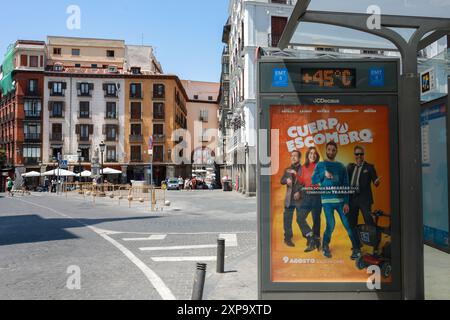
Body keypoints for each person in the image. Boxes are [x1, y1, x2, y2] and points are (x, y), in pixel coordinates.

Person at [312, 141, 360, 260]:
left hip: (340, 202)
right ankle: (325, 245)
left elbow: (345, 184)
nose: (331, 152)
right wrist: (324, 174)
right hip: (326, 202)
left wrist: (346, 202)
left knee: (348, 224)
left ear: (336, 151)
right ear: (326, 150)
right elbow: (314, 180)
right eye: (329, 149)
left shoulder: (341, 166)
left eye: (333, 150)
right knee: (331, 224)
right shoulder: (320, 165)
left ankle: (356, 248)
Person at [347, 146, 381, 249]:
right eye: (357, 154)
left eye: (361, 154)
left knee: (369, 221)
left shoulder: (369, 167)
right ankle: (357, 244)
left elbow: (376, 182)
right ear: (354, 155)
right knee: (352, 222)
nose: (359, 156)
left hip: (364, 199)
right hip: (352, 198)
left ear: (363, 154)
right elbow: (345, 180)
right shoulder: (350, 167)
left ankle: (374, 243)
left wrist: (376, 182)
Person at [297, 147, 323, 252]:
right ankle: (311, 237)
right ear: (308, 155)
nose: (312, 155)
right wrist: (298, 191)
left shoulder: (320, 167)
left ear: (316, 156)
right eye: (311, 153)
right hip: (306, 195)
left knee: (316, 219)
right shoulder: (303, 168)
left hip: (317, 195)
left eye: (314, 153)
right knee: (300, 218)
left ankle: (314, 241)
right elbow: (300, 182)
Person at [280, 150, 303, 248]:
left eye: (295, 156)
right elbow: (281, 181)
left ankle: (308, 236)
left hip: (300, 199)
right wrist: (286, 180)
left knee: (301, 219)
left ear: (299, 158)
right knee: (287, 220)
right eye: (291, 156)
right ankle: (288, 238)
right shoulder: (287, 170)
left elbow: (308, 183)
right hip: (289, 199)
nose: (293, 157)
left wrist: (300, 192)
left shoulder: (304, 169)